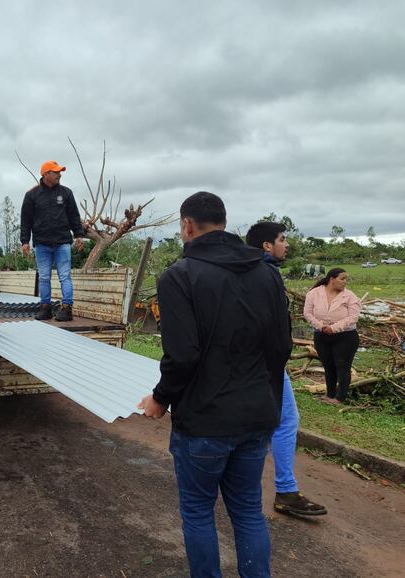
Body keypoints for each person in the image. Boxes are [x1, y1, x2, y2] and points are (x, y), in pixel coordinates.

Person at [138, 192, 292, 578]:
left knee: (197, 510)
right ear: (224, 223)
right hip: (256, 417)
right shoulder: (267, 274)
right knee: (247, 512)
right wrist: (265, 399)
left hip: (204, 423)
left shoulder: (179, 276)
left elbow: (183, 355)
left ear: (187, 226)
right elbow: (281, 347)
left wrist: (159, 399)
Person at [246, 222, 327, 517]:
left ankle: (277, 489)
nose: (287, 245)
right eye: (282, 239)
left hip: (255, 361)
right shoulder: (265, 273)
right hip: (266, 363)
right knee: (285, 420)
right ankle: (284, 491)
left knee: (273, 422)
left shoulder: (249, 269)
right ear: (267, 245)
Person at [20, 160, 85, 322]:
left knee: (65, 276)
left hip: (62, 242)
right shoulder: (32, 195)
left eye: (59, 172)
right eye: (56, 172)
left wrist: (78, 235)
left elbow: (74, 216)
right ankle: (45, 307)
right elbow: (25, 220)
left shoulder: (66, 193)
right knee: (43, 277)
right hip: (42, 244)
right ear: (46, 174)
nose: (59, 174)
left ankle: (67, 308)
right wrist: (25, 241)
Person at [303, 268, 361, 404]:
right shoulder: (314, 293)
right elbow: (307, 313)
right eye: (342, 278)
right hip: (322, 335)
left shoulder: (349, 296)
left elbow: (353, 317)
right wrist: (321, 326)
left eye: (346, 279)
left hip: (346, 336)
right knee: (328, 365)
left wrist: (334, 328)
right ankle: (330, 395)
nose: (345, 282)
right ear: (331, 279)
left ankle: (340, 398)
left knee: (342, 366)